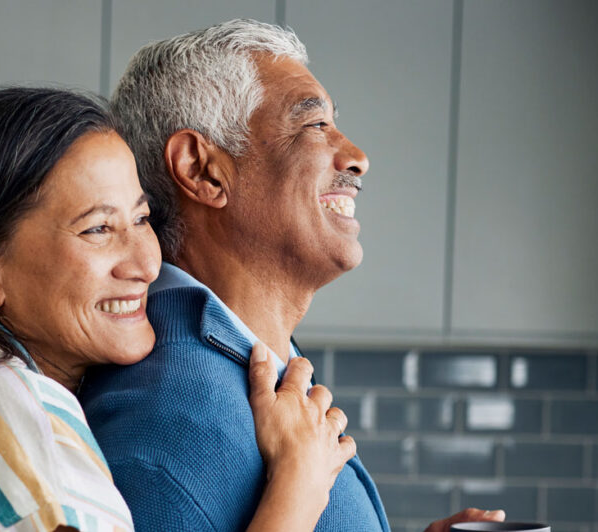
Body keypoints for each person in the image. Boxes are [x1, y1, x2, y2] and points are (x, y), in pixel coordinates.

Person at [0, 88, 358, 531]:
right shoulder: (28, 445)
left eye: (141, 219)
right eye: (98, 229)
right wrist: (298, 487)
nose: (146, 262)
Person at [78, 19, 507, 532]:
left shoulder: (249, 363)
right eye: (315, 124)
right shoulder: (163, 430)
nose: (358, 158)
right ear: (202, 170)